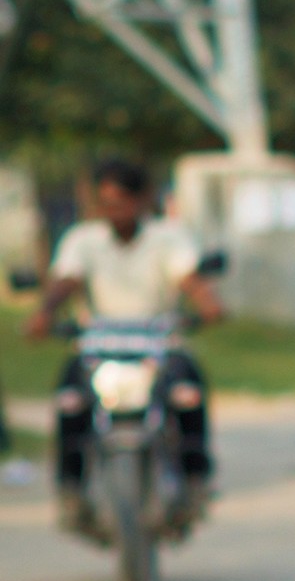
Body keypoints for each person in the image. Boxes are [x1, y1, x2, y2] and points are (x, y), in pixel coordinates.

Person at [28, 159, 222, 522]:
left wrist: (207, 304)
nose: (114, 211)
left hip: (159, 345)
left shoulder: (168, 238)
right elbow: (67, 280)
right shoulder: (83, 240)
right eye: (106, 203)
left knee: (188, 393)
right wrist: (45, 313)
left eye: (121, 202)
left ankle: (196, 477)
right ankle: (71, 488)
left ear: (142, 200)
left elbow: (188, 277)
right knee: (70, 401)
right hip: (98, 345)